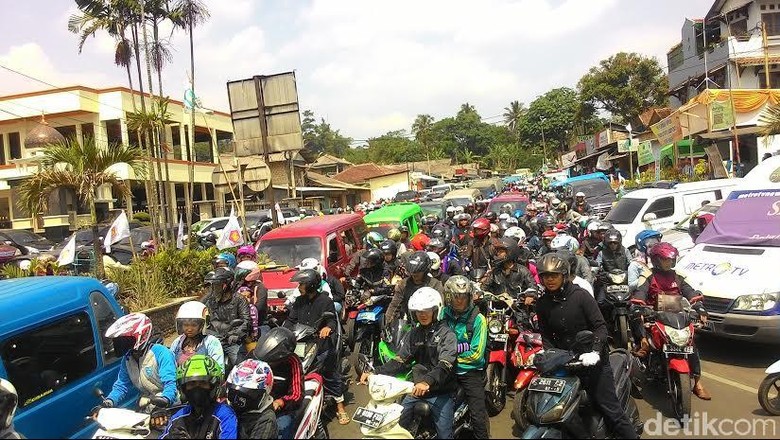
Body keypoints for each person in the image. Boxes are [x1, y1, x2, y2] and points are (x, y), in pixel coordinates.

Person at [534, 254, 639, 439]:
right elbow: (546, 335)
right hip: (565, 363)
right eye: (545, 276)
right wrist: (548, 354)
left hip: (593, 362)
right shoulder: (542, 303)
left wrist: (595, 352)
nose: (550, 280)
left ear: (564, 275)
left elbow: (600, 327)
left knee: (609, 408)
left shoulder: (581, 296)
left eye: (554, 275)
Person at [359, 287, 458, 439]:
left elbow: (445, 364)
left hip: (441, 391)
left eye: (426, 310)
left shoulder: (447, 334)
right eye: (418, 311)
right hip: (415, 391)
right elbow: (400, 361)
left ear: (435, 310)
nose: (422, 314)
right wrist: (375, 372)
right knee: (394, 424)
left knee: (445, 436)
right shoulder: (414, 334)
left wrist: (427, 381)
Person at [631, 242, 711, 400]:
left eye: (671, 260)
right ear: (656, 260)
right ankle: (642, 347)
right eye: (665, 260)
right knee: (636, 320)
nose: (669, 263)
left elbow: (690, 291)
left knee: (691, 346)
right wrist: (639, 306)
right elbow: (640, 292)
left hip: (677, 317)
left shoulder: (678, 276)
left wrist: (699, 306)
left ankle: (697, 383)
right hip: (654, 316)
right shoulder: (648, 275)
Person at [285, 269, 349, 425]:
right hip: (301, 344)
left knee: (329, 372)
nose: (299, 286)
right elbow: (291, 320)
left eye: (302, 284)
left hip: (320, 344)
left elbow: (332, 321)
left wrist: (327, 329)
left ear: (311, 285)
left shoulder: (325, 301)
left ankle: (340, 407)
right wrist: (283, 331)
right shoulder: (299, 301)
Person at [441, 276, 490, 439]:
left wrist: (449, 357)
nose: (460, 300)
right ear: (448, 297)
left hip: (469, 372)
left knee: (478, 415)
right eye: (456, 296)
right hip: (444, 369)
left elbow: (476, 355)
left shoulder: (478, 319)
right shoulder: (442, 314)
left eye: (463, 296)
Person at [103, 313, 178, 410]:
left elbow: (170, 383)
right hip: (147, 405)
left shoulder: (161, 353)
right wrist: (109, 401)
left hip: (171, 405)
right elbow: (121, 385)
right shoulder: (127, 359)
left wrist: (166, 398)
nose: (121, 345)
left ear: (141, 336)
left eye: (125, 340)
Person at [160, 355, 238, 439]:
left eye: (203, 383)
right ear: (183, 388)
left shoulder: (224, 416)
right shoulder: (178, 417)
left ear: (214, 385)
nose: (197, 389)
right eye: (192, 384)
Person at [252, 327, 304, 440]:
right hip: (254, 405)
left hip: (279, 410)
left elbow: (297, 394)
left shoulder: (292, 362)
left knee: (284, 426)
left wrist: (281, 402)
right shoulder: (255, 355)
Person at [203, 268, 251, 368]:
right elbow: (198, 309)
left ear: (225, 285)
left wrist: (235, 335)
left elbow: (246, 321)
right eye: (211, 286)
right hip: (212, 340)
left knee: (242, 367)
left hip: (231, 342)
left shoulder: (239, 299)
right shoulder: (209, 299)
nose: (213, 289)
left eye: (215, 286)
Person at [226, 359, 277, 439]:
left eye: (246, 396)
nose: (239, 400)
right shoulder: (228, 407)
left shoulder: (266, 419)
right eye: (235, 394)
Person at [386, 251, 444, 322]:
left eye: (418, 272)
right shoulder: (404, 284)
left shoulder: (436, 285)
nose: (414, 275)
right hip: (411, 323)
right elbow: (394, 306)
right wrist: (387, 325)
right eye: (412, 272)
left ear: (425, 270)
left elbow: (441, 308)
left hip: (432, 323)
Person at [170, 301, 225, 370]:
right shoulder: (177, 342)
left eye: (194, 325)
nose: (189, 329)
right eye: (186, 325)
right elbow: (170, 366)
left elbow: (219, 370)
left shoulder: (211, 342)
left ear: (202, 325)